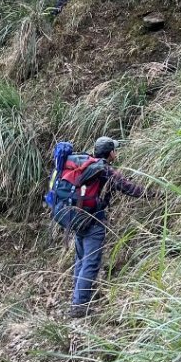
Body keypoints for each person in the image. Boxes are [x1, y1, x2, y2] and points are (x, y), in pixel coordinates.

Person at [50, 136, 151, 318]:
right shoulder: (104, 170)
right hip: (93, 221)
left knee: (81, 259)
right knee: (91, 262)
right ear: (111, 153)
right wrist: (155, 193)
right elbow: (130, 189)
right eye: (115, 150)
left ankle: (77, 300)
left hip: (76, 219)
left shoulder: (83, 163)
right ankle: (80, 306)